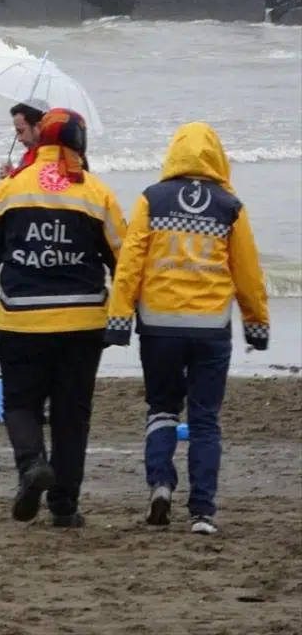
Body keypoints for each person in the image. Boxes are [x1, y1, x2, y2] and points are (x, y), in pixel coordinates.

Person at [104, 122, 270, 536]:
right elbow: (247, 271)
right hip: (210, 329)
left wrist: (119, 318)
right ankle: (203, 513)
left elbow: (130, 264)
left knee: (161, 408)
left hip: (158, 327)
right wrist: (256, 323)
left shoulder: (151, 199)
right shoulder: (229, 205)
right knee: (204, 419)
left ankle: (160, 483)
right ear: (216, 155)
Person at [0, 108, 126, 528]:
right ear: (79, 143)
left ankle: (32, 463)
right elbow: (123, 260)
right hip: (83, 326)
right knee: (73, 415)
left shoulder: (11, 189)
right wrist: (126, 313)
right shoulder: (97, 194)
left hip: (22, 323)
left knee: (20, 403)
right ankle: (65, 506)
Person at [0, 101, 46, 178]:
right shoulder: (28, 157)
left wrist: (10, 181)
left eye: (21, 131)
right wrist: (12, 174)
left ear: (39, 127)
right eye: (17, 133)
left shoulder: (51, 159)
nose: (19, 139)